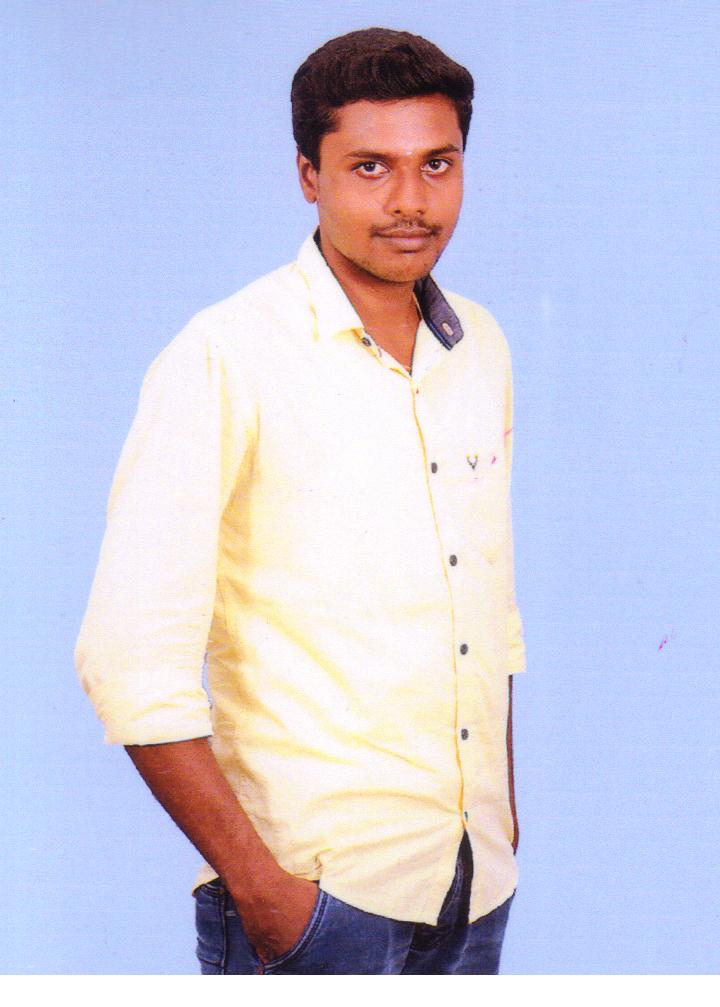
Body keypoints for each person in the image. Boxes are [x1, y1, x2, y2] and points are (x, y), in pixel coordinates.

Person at [75, 27, 526, 975]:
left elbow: (488, 612)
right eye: (370, 167)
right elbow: (127, 660)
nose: (411, 201)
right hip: (319, 902)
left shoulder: (478, 346)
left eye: (437, 164)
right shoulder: (226, 356)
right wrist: (266, 893)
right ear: (308, 175)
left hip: (471, 884)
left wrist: (501, 822)